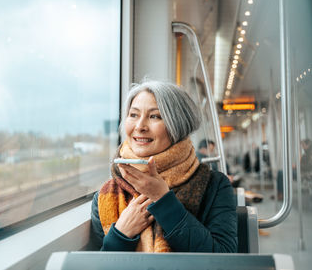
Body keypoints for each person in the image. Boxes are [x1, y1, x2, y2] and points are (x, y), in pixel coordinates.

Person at [91, 80, 237, 253]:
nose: (139, 126)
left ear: (178, 125)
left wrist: (163, 199)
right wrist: (121, 234)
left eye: (155, 116)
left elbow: (223, 257)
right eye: (133, 115)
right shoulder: (107, 195)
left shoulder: (216, 185)